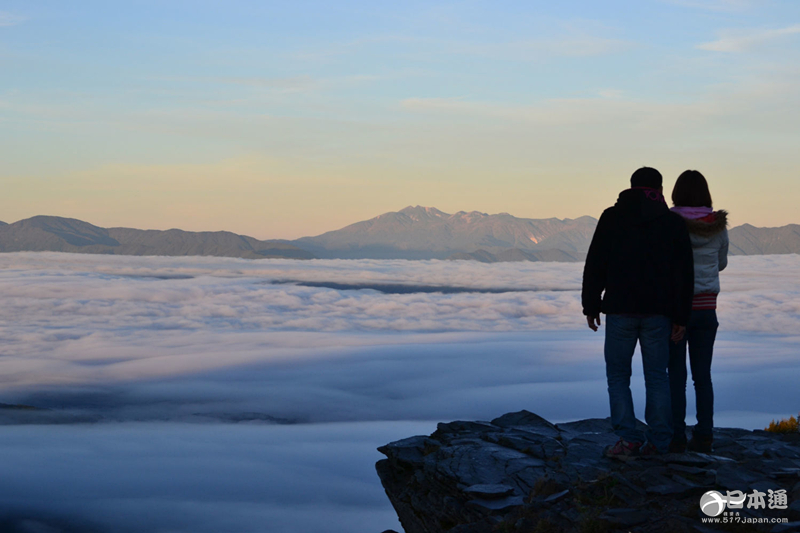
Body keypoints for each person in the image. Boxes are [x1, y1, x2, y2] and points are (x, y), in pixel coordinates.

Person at [582, 167, 694, 458]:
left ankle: (628, 440)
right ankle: (659, 441)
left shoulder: (611, 217)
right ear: (659, 189)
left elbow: (595, 263)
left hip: (620, 309)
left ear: (630, 187)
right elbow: (684, 273)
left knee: (618, 376)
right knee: (657, 376)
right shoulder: (672, 223)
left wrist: (591, 305)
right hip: (659, 312)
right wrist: (682, 316)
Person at [668, 170, 728, 453]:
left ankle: (676, 434)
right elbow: (721, 264)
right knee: (702, 376)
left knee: (675, 375)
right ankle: (704, 435)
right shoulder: (718, 226)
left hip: (675, 309)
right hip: (706, 309)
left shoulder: (669, 223)